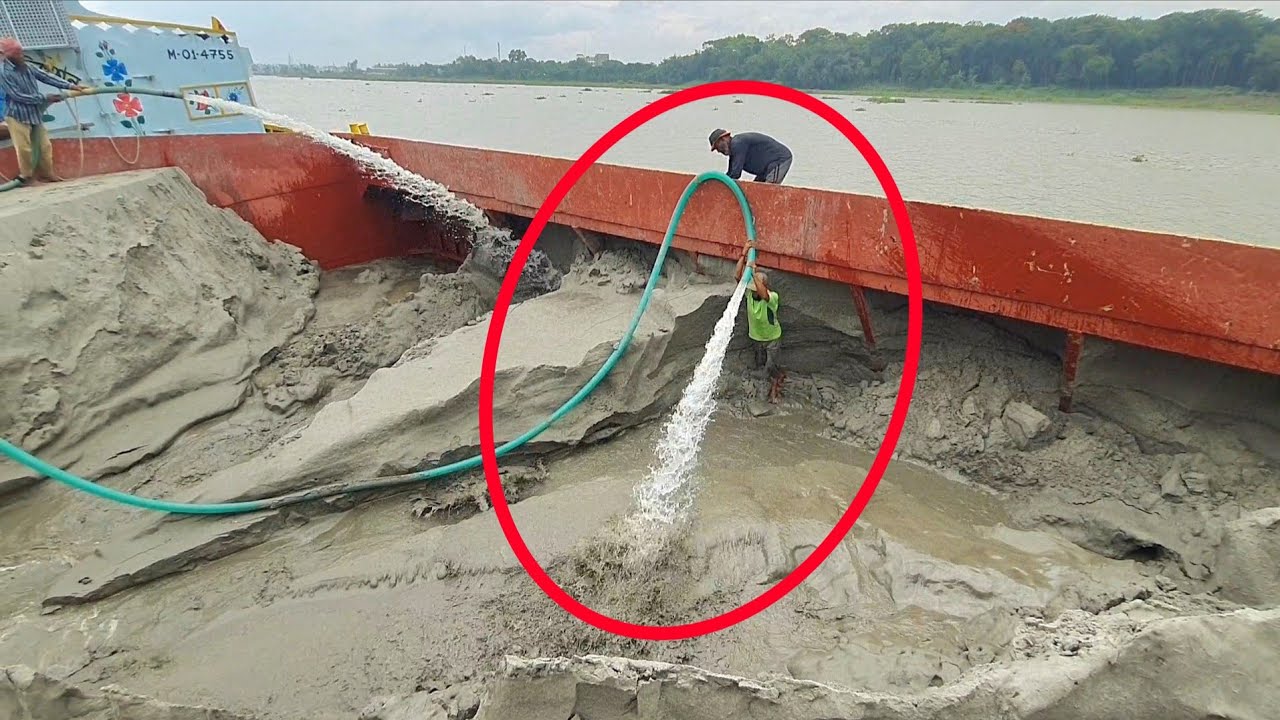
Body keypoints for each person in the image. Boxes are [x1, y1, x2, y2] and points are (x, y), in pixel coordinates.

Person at [0, 36, 86, 185]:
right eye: (17, 54)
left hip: (34, 113)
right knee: (24, 149)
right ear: (9, 56)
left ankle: (47, 174)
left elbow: (46, 77)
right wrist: (45, 98)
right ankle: (26, 177)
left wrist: (71, 86)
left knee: (44, 146)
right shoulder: (3, 73)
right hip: (16, 115)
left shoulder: (26, 67)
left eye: (21, 53)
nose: (21, 56)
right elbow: (17, 96)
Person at [735, 245, 785, 403]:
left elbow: (763, 293)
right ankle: (773, 377)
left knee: (770, 366)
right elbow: (738, 277)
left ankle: (776, 386)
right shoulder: (750, 294)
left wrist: (753, 270)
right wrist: (744, 256)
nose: (754, 290)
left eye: (756, 287)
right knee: (760, 363)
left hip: (772, 339)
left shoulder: (772, 298)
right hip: (756, 337)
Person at [709, 128, 792, 185]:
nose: (718, 151)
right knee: (756, 191)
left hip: (780, 160)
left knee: (767, 191)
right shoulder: (734, 149)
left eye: (717, 147)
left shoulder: (737, 144)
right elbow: (730, 174)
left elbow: (735, 174)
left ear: (723, 139)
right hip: (764, 169)